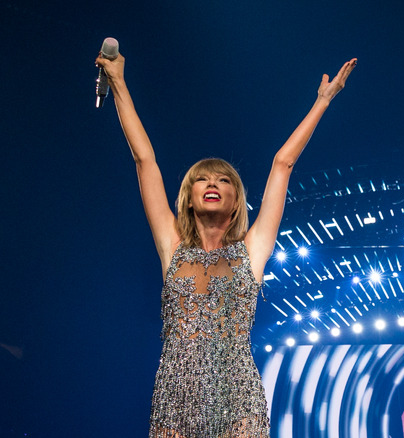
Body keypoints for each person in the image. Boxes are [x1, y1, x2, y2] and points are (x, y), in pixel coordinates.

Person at [96, 50, 356, 437]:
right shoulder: (172, 244)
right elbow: (144, 160)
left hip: (238, 396)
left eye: (224, 180)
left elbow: (282, 163)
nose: (213, 184)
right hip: (175, 397)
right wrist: (118, 82)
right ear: (188, 196)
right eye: (203, 179)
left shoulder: (252, 251)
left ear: (237, 202)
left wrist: (323, 100)